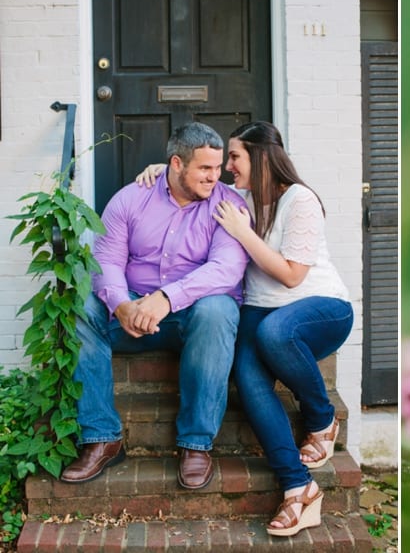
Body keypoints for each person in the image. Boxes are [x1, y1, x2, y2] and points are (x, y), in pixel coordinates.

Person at [136, 120, 353, 537]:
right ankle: (298, 489)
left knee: (274, 334)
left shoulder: (300, 200)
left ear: (260, 156)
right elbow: (189, 178)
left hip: (318, 308)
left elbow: (291, 276)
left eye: (234, 157)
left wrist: (241, 231)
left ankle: (321, 417)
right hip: (260, 309)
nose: (226, 167)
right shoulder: (235, 196)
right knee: (249, 381)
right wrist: (156, 169)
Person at [60, 122, 249, 491]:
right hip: (131, 317)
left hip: (191, 320)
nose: (216, 176)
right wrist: (121, 305)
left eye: (218, 166)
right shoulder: (131, 198)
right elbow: (107, 260)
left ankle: (196, 444)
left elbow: (226, 270)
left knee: (219, 309)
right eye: (205, 169)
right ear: (176, 164)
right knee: (82, 304)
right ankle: (101, 437)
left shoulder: (228, 204)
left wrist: (166, 298)